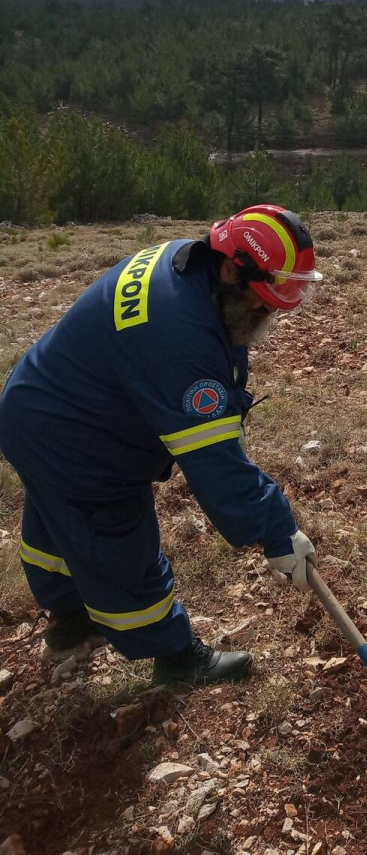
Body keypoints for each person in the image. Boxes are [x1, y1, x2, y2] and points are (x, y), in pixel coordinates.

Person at [0, 205, 323, 687]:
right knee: (115, 535)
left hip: (37, 407)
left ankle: (71, 622)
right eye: (263, 298)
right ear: (232, 266)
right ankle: (176, 658)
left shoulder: (188, 267)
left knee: (60, 521)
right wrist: (277, 531)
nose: (269, 310)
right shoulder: (180, 337)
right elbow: (214, 464)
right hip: (76, 436)